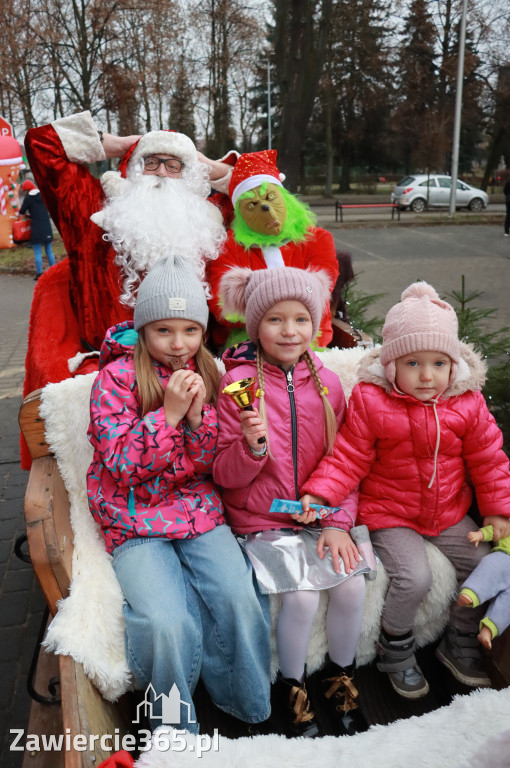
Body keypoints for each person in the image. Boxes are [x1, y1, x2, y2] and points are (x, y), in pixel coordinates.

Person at [86, 254, 271, 733]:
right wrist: (167, 416)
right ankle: (171, 730)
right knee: (167, 622)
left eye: (190, 330)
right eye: (163, 331)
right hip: (133, 518)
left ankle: (246, 706)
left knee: (238, 597)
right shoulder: (114, 378)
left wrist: (195, 423)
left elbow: (207, 464)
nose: (177, 344)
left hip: (196, 510)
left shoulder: (207, 371)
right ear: (143, 329)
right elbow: (123, 466)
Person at [301, 281, 510, 699]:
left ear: (454, 365)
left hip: (449, 511)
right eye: (413, 362)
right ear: (391, 364)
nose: (427, 375)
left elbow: (489, 460)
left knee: (484, 562)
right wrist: (322, 494)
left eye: (438, 363)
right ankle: (395, 647)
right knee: (413, 578)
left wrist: (497, 512)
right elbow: (349, 457)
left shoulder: (467, 403)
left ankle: (460, 637)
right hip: (390, 513)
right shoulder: (372, 401)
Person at [21, 111, 232, 468]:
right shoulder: (94, 213)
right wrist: (124, 143)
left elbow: (258, 182)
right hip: (111, 369)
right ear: (132, 169)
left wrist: (202, 160)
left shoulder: (207, 219)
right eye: (151, 162)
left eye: (174, 165)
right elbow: (42, 145)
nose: (162, 173)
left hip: (188, 361)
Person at [213, 266, 368, 738]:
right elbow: (222, 475)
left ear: (314, 324)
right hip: (262, 519)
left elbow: (349, 460)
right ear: (255, 324)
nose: (289, 330)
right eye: (275, 320)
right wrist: (251, 447)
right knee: (299, 599)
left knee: (352, 587)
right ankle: (292, 686)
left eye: (300, 319)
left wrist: (337, 519)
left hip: (323, 514)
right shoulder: (236, 387)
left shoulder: (330, 385)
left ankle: (340, 679)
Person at [206, 150, 339, 352]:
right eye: (252, 204)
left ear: (284, 197)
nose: (265, 208)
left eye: (270, 197)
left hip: (310, 341)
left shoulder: (317, 239)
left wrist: (260, 306)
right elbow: (222, 306)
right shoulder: (227, 247)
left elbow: (319, 290)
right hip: (249, 344)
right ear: (240, 214)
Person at [458, 519, 510, 650]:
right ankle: (470, 593)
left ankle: (488, 631)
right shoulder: (508, 525)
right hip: (505, 557)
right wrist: (480, 535)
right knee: (490, 565)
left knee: (508, 604)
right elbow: (495, 530)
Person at [18, 179, 56, 280]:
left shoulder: (29, 198)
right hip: (46, 225)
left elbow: (21, 211)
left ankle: (39, 273)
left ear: (27, 190)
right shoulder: (43, 195)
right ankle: (55, 270)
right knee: (49, 250)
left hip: (36, 227)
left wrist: (29, 214)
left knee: (37, 252)